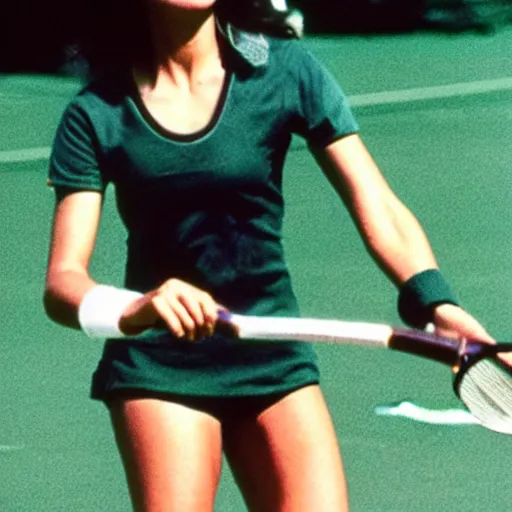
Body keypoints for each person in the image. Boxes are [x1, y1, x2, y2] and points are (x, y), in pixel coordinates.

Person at [43, 1, 493, 511]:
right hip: (161, 367)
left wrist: (438, 305)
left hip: (274, 359)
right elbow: (62, 281)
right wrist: (136, 308)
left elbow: (379, 207)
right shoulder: (96, 112)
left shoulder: (287, 72)